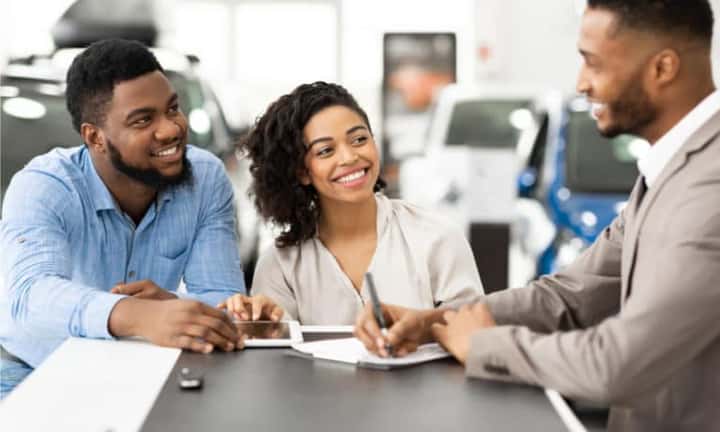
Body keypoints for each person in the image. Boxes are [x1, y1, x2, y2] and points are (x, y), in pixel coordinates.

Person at [355, 1, 720, 430]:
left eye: (594, 64)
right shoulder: (669, 170)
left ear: (662, 69)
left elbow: (618, 363)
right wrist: (436, 321)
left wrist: (486, 345)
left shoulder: (709, 186)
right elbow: (568, 297)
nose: (581, 84)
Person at [0, 39, 269, 398]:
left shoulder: (204, 178)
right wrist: (137, 315)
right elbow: (29, 297)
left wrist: (170, 307)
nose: (171, 129)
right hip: (33, 369)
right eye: (143, 120)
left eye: (172, 108)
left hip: (145, 369)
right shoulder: (44, 187)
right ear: (94, 137)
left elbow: (223, 300)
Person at [222, 82, 483, 329]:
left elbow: (473, 331)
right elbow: (278, 360)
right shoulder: (280, 266)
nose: (350, 157)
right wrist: (262, 325)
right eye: (325, 151)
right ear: (301, 171)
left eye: (359, 139)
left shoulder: (437, 239)